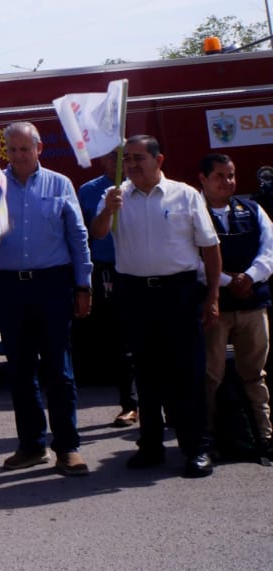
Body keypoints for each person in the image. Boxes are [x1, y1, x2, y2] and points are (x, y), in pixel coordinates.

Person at [91, 135, 221, 477]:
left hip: (178, 292)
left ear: (158, 160)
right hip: (135, 294)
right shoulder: (116, 196)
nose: (132, 165)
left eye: (138, 158)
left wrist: (212, 297)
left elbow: (209, 248)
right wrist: (107, 210)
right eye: (127, 159)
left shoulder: (185, 194)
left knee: (188, 374)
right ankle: (150, 446)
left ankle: (196, 448)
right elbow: (99, 234)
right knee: (146, 374)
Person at [0, 121, 92, 476]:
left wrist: (83, 286)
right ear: (5, 150)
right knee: (20, 371)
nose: (20, 155)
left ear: (39, 148)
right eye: (13, 149)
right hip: (11, 287)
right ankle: (32, 445)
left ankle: (67, 447)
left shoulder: (60, 184)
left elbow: (78, 236)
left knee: (60, 370)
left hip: (53, 284)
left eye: (26, 148)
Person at [196, 153, 273, 462]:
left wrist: (250, 277)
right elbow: (193, 262)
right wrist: (229, 282)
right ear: (202, 178)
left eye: (231, 176)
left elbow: (269, 249)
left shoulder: (252, 209)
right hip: (215, 308)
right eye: (219, 176)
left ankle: (265, 435)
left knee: (255, 374)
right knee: (210, 376)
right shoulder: (192, 213)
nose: (227, 182)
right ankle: (209, 438)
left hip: (253, 303)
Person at [75, 154, 138, 426]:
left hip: (142, 268)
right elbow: (81, 234)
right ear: (102, 161)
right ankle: (130, 404)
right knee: (120, 341)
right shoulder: (89, 191)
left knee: (155, 338)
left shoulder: (140, 186)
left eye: (124, 157)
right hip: (107, 270)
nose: (119, 163)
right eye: (113, 158)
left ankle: (168, 405)